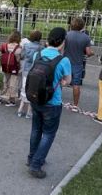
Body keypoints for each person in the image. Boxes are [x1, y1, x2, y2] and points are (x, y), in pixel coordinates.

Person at [27, 27, 72, 179]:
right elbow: (67, 81)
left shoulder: (38, 54)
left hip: (35, 98)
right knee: (48, 134)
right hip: (52, 103)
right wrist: (61, 81)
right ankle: (36, 165)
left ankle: (31, 158)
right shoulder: (63, 60)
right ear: (63, 42)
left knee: (36, 130)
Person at [64, 17, 93, 111]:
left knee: (60, 81)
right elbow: (88, 53)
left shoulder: (66, 35)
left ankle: (56, 101)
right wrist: (91, 53)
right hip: (78, 63)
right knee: (76, 85)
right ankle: (75, 105)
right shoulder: (86, 37)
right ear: (82, 26)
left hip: (65, 62)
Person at [17, 30, 42, 118]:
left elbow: (22, 56)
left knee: (24, 88)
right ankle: (29, 112)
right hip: (35, 71)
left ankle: (20, 109)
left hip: (26, 69)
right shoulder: (40, 48)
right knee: (33, 90)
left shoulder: (26, 45)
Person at [0, 30, 22, 106]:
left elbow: (2, 54)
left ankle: (1, 97)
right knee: (13, 83)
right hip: (14, 68)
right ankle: (11, 100)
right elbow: (18, 59)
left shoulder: (5, 46)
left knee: (5, 81)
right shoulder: (18, 48)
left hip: (5, 67)